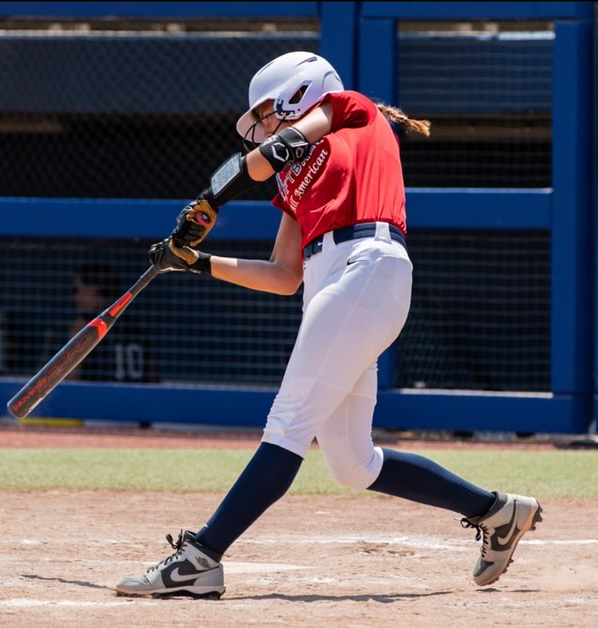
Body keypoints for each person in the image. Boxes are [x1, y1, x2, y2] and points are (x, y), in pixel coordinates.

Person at [114, 51, 542, 598]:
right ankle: (498, 512)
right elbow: (283, 275)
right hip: (328, 280)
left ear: (300, 91)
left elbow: (276, 151)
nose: (266, 124)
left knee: (287, 424)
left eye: (269, 111)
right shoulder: (292, 185)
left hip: (368, 264)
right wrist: (197, 262)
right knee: (351, 462)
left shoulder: (349, 110)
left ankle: (202, 557)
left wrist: (210, 198)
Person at [67, 262, 159, 385]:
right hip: (137, 397)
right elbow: (153, 377)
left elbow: (71, 377)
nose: (76, 296)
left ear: (93, 290)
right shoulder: (132, 326)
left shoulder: (85, 325)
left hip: (102, 396)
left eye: (77, 289)